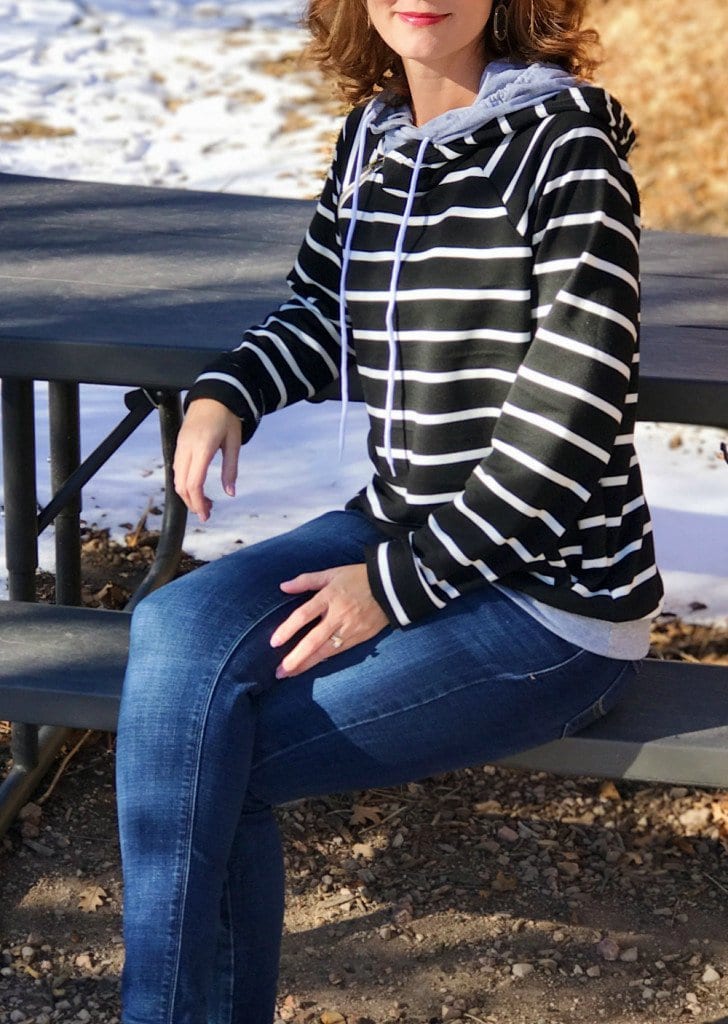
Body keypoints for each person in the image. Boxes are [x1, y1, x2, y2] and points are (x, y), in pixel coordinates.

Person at [115, 1, 664, 1021]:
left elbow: (571, 419)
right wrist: (228, 387)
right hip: (402, 523)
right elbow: (323, 308)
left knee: (204, 759)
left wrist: (390, 589)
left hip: (549, 600)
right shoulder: (373, 138)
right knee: (169, 624)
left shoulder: (564, 146)